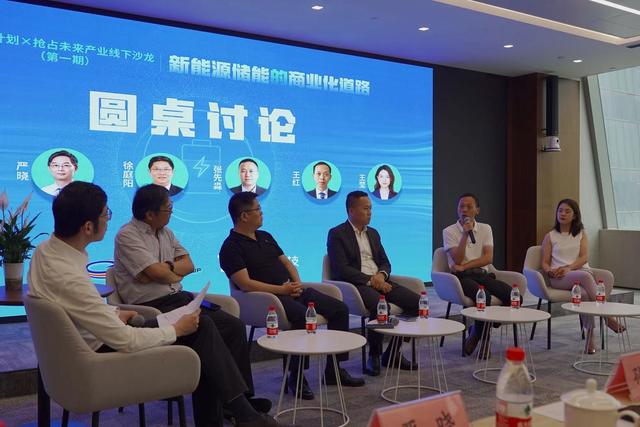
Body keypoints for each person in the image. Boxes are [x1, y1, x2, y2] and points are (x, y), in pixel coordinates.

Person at [28, 182, 284, 427]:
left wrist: (114, 311)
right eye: (105, 214)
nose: (108, 219)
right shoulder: (75, 272)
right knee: (201, 329)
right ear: (87, 227)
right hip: (103, 355)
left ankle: (239, 408)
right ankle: (241, 413)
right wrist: (175, 329)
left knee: (220, 327)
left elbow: (182, 266)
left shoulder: (45, 251)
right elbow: (125, 339)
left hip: (102, 336)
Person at [113, 184, 276, 424]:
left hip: (179, 298)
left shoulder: (166, 232)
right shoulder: (127, 235)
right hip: (153, 307)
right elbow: (157, 273)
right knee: (205, 328)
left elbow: (187, 265)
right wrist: (166, 272)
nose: (172, 212)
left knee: (233, 326)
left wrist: (166, 270)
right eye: (168, 208)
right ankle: (239, 408)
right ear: (150, 214)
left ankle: (240, 400)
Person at [219, 192, 364, 400]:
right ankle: (296, 376)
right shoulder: (231, 247)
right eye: (258, 209)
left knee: (339, 309)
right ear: (244, 216)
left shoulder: (265, 236)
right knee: (303, 316)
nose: (261, 213)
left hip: (290, 291)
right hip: (266, 299)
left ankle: (334, 370)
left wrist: (296, 284)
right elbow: (245, 284)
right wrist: (282, 291)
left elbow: (287, 263)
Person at [327, 191, 420, 376]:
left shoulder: (374, 233)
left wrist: (381, 276)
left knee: (417, 303)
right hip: (357, 285)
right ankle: (374, 355)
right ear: (351, 211)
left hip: (380, 280)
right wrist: (371, 280)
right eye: (366, 208)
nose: (370, 212)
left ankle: (393, 352)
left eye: (370, 208)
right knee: (380, 306)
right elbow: (342, 269)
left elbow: (385, 262)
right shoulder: (337, 234)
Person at [541, 198, 623, 354]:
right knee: (585, 278)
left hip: (580, 273)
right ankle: (607, 317)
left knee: (584, 293)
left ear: (574, 215)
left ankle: (590, 337)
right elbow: (544, 262)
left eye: (567, 211)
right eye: (560, 210)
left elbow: (584, 257)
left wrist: (569, 268)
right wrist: (550, 271)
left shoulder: (581, 234)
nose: (562, 214)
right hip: (560, 278)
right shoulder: (550, 236)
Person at [442, 193, 512, 358]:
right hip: (461, 278)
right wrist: (465, 234)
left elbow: (488, 258)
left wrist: (466, 265)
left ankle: (477, 330)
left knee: (513, 296)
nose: (464, 210)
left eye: (469, 207)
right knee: (484, 297)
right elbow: (457, 259)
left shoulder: (485, 228)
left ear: (477, 210)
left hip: (482, 274)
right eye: (461, 207)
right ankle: (480, 338)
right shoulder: (449, 231)